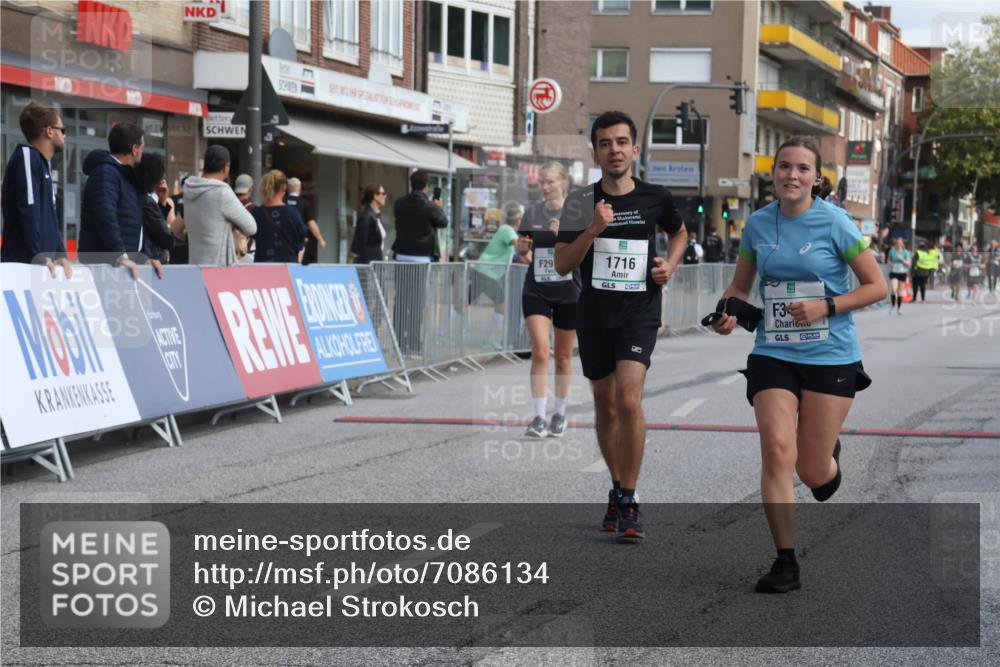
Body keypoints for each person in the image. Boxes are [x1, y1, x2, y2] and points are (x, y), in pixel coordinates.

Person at [710, 136, 886, 593]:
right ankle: (785, 561)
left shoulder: (836, 223)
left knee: (811, 472)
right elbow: (740, 287)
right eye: (784, 166)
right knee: (776, 451)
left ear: (816, 177)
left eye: (802, 169)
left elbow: (876, 287)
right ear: (774, 173)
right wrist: (728, 313)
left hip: (831, 354)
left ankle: (826, 458)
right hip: (775, 351)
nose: (792, 175)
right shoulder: (758, 224)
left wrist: (827, 306)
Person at [555, 110, 688, 541]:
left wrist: (669, 263)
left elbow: (680, 233)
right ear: (595, 151)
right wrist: (593, 227)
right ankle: (616, 486)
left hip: (638, 314)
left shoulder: (655, 196)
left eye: (621, 141)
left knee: (629, 401)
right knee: (606, 407)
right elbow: (561, 264)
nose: (614, 149)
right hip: (594, 315)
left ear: (634, 149)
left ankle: (628, 498)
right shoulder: (580, 200)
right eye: (605, 142)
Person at [517, 162, 580, 438]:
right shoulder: (532, 212)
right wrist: (522, 251)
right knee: (541, 351)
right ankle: (539, 417)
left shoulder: (577, 213)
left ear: (563, 183)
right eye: (541, 182)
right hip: (537, 288)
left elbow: (585, 255)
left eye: (550, 182)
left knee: (564, 357)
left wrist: (563, 237)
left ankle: (560, 414)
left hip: (568, 290)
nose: (544, 187)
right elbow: (525, 254)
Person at [0, 101, 72, 278]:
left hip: (40, 268)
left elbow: (51, 219)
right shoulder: (27, 157)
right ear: (49, 131)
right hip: (22, 269)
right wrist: (38, 255)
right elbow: (29, 210)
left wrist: (60, 254)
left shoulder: (43, 165)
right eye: (62, 130)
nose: (65, 135)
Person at [78, 122, 145, 278]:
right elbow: (105, 215)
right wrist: (119, 255)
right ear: (134, 149)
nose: (142, 151)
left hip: (123, 265)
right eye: (142, 146)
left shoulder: (125, 175)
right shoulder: (106, 173)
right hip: (108, 267)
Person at [182, 145, 257, 266]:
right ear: (226, 168)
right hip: (217, 269)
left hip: (195, 266)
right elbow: (251, 227)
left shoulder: (188, 189)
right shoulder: (222, 192)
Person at [470, 203, 529, 347]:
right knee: (501, 304)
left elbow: (519, 255)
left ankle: (442, 333)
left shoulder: (510, 232)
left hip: (486, 272)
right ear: (518, 220)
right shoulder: (507, 229)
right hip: (486, 272)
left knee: (465, 302)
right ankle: (489, 340)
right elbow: (519, 247)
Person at [252, 170, 308, 264]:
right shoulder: (293, 213)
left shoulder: (255, 213)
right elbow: (302, 237)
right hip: (287, 268)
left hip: (261, 268)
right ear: (283, 187)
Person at [392, 170, 447, 262]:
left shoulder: (399, 203)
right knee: (419, 277)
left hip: (401, 253)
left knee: (401, 277)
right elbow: (443, 222)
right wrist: (438, 208)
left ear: (411, 184)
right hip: (422, 255)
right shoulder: (429, 206)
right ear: (426, 186)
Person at [136, 153, 174, 276]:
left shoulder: (138, 197)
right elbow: (166, 238)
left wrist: (162, 202)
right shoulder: (148, 202)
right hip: (151, 264)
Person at [286, 177, 326, 264]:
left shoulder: (281, 201)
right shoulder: (304, 204)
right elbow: (311, 224)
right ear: (299, 188)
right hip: (299, 240)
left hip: (282, 239)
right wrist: (320, 239)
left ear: (288, 188)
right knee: (296, 264)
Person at [350, 183, 388, 264]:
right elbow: (361, 242)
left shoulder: (376, 215)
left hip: (375, 261)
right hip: (368, 263)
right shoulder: (367, 216)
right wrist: (367, 265)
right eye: (383, 194)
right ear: (375, 196)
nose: (385, 196)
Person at [887, 237, 910, 314]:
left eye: (900, 242)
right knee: (893, 289)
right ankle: (893, 305)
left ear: (902, 244)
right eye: (897, 242)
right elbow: (889, 259)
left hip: (902, 272)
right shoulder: (892, 251)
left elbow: (908, 263)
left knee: (900, 291)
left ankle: (898, 308)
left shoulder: (906, 252)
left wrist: (902, 260)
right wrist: (891, 264)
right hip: (894, 272)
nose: (898, 244)